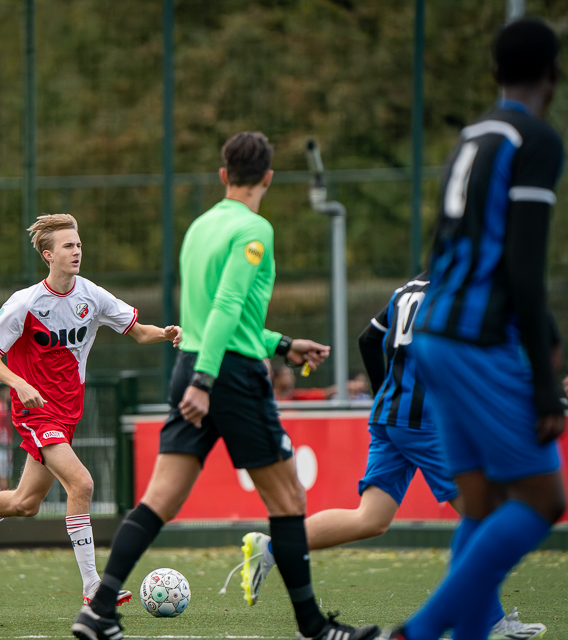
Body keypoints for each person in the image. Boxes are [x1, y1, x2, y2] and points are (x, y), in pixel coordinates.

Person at [73, 132, 377, 640]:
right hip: (227, 376)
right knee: (288, 502)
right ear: (268, 178)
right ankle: (314, 628)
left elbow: (215, 319)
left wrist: (282, 344)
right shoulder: (255, 229)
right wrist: (207, 380)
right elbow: (228, 306)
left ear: (223, 176)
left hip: (192, 364)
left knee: (159, 500)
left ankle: (98, 611)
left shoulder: (200, 227)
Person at [381, 20, 568, 640]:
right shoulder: (534, 139)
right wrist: (547, 383)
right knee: (543, 501)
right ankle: (418, 632)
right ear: (553, 74)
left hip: (433, 333)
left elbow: (449, 244)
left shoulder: (472, 136)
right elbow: (525, 265)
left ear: (494, 73)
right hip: (479, 341)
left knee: (482, 504)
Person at [241, 276, 545, 640]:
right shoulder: (457, 289)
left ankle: (272, 547)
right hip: (426, 423)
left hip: (389, 415)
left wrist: (385, 390)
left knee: (371, 518)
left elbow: (368, 339)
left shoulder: (407, 289)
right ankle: (490, 620)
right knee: (484, 515)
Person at [0, 213, 181, 608]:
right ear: (48, 255)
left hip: (67, 413)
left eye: (78, 244)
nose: (77, 251)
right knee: (82, 484)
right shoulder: (25, 303)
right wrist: (20, 384)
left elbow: (137, 331)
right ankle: (93, 587)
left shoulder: (91, 296)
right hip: (34, 412)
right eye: (68, 246)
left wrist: (166, 333)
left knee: (25, 503)